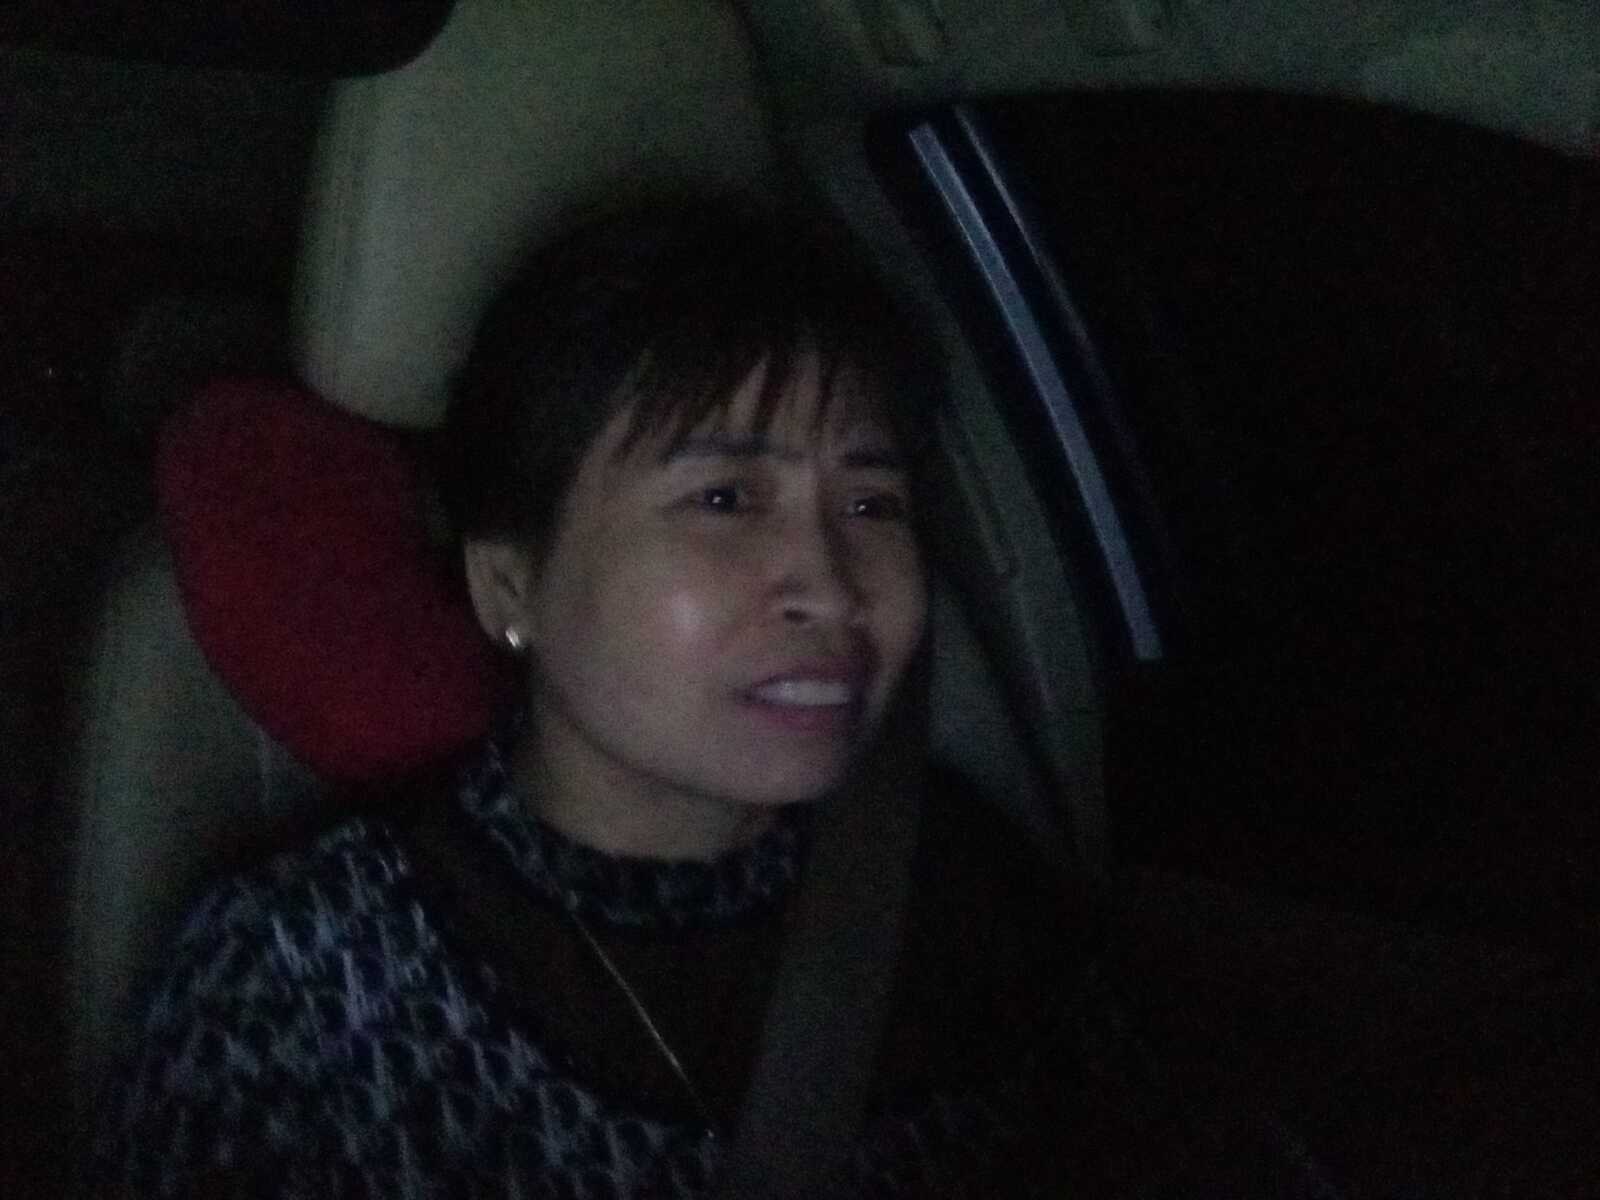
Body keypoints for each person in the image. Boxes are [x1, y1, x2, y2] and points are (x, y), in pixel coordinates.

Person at [89, 197, 1325, 1199]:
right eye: (725, 500)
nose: (830, 584)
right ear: (509, 582)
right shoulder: (309, 983)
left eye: (871, 502)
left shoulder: (960, 886)